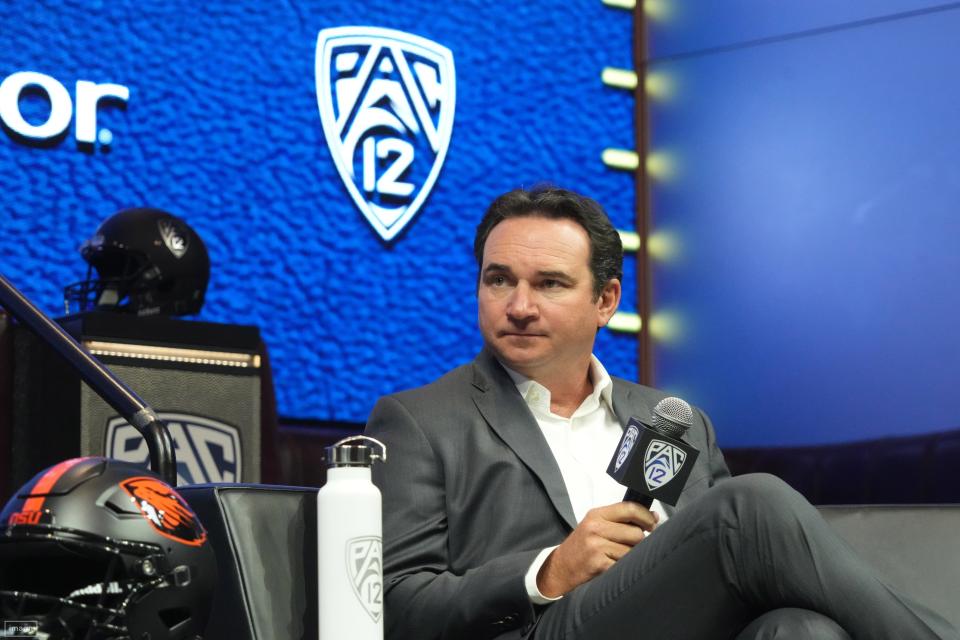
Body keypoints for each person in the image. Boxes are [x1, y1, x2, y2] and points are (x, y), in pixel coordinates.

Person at [365, 186, 957, 640]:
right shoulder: (417, 421)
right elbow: (394, 604)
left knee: (803, 631)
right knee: (746, 510)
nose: (519, 306)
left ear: (606, 301)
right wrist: (547, 572)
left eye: (549, 284)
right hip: (543, 629)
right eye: (499, 280)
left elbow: (735, 574)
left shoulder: (673, 419)